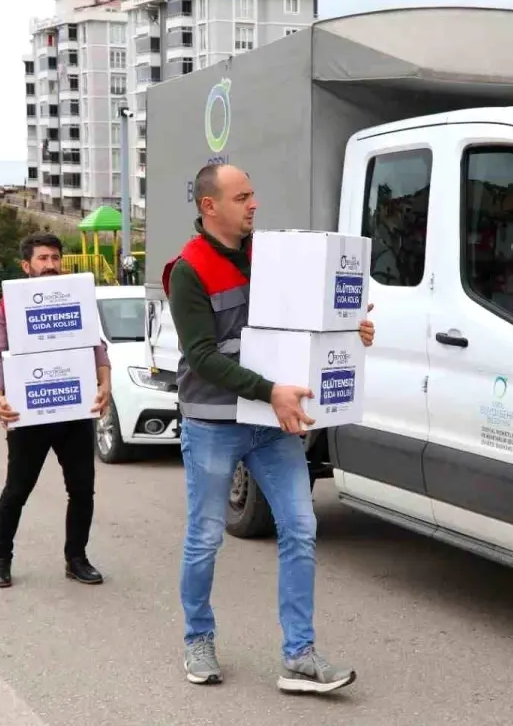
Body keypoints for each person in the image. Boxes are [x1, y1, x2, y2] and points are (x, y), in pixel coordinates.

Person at [163, 163, 375, 694]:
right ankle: (198, 638)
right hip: (215, 421)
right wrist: (270, 391)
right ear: (209, 206)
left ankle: (299, 656)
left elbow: (303, 325)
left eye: (254, 195)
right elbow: (203, 356)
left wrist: (351, 329)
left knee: (301, 528)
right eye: (242, 197)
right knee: (206, 538)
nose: (253, 204)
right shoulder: (188, 270)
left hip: (272, 421)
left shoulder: (273, 256)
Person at [0, 232, 113, 589]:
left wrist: (105, 383)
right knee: (17, 490)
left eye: (55, 258)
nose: (51, 265)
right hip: (30, 416)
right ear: (26, 266)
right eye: (43, 259)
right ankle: (0, 559)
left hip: (74, 411)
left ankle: (77, 559)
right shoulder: (5, 309)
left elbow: (96, 345)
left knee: (82, 490)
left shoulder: (77, 300)